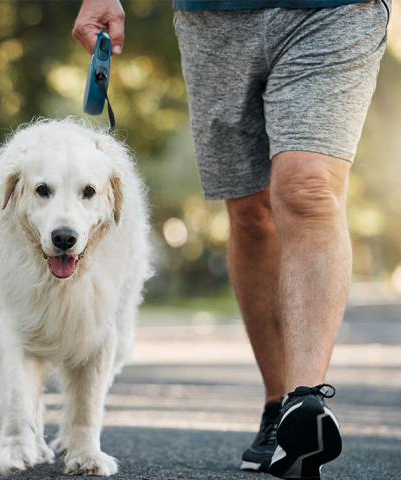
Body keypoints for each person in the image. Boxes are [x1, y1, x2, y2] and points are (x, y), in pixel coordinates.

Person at [73, 0, 389, 478]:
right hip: (214, 18)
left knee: (307, 187)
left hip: (334, 11)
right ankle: (277, 402)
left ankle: (303, 406)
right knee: (249, 211)